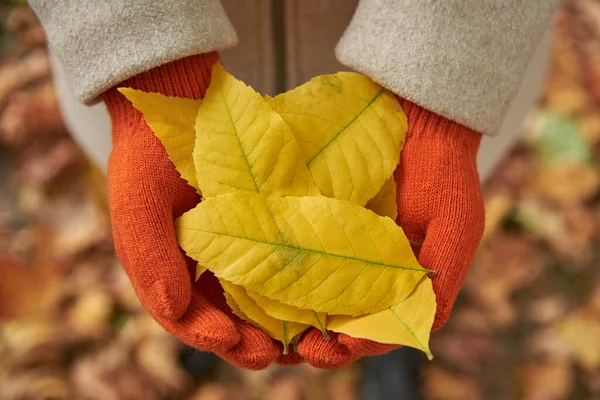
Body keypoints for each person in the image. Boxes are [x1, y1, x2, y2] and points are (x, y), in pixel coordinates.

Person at [30, 0, 560, 379]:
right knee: (169, 247)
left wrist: (440, 72)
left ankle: (392, 335)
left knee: (425, 232)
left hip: (433, 66)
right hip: (171, 74)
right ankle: (226, 303)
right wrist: (138, 42)